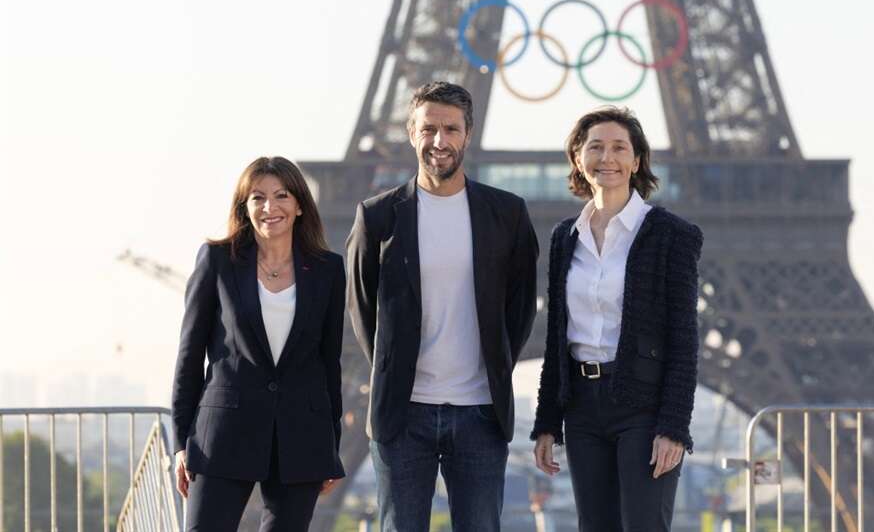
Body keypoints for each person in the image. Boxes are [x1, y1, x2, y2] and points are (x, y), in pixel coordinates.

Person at [346, 81, 539, 532]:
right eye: (428, 129)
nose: (439, 141)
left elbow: (520, 306)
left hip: (479, 411)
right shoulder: (377, 216)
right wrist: (395, 366)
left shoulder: (507, 214)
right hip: (403, 413)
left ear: (467, 134)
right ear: (412, 134)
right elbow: (362, 307)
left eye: (450, 129)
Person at [531, 107, 702, 532]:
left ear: (637, 160)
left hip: (643, 408)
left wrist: (674, 427)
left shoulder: (670, 235)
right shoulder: (564, 238)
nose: (607, 157)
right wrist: (548, 422)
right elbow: (557, 338)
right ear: (577, 158)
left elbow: (684, 339)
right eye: (596, 147)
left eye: (619, 148)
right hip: (583, 408)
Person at [171, 156, 346, 531]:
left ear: (300, 205)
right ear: (244, 207)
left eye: (282, 195)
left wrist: (331, 446)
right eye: (258, 197)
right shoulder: (218, 260)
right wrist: (181, 443)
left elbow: (329, 362)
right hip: (221, 434)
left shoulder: (328, 270)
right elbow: (189, 357)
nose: (270, 207)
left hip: (300, 436)